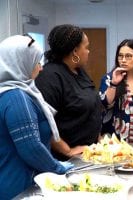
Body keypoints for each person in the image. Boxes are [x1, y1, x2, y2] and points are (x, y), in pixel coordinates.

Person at [0, 35, 73, 200]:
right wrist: (58, 168)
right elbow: (30, 148)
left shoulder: (8, 92)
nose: (40, 68)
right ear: (21, 62)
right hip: (19, 189)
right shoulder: (16, 97)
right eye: (36, 62)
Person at [35, 24, 103, 161]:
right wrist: (68, 151)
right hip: (66, 159)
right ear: (75, 52)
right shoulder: (50, 77)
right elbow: (43, 122)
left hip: (89, 153)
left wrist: (99, 138)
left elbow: (91, 106)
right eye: (86, 47)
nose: (88, 51)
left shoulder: (79, 71)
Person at [99, 39, 133, 143]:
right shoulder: (108, 79)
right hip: (113, 141)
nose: (123, 60)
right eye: (120, 56)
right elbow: (105, 103)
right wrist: (114, 83)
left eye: (128, 56)